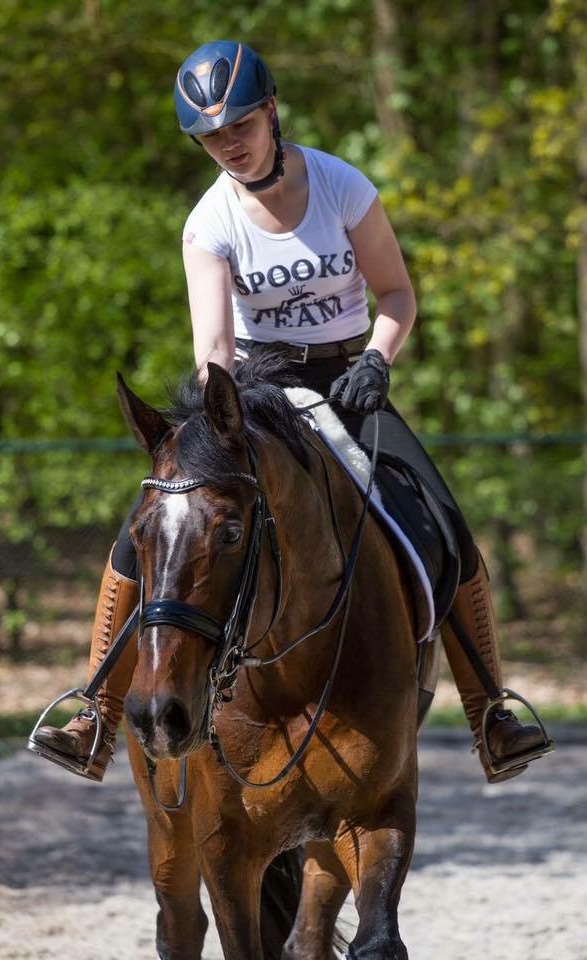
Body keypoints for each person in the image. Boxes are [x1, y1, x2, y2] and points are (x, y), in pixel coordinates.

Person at [32, 40, 551, 785]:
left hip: (350, 378)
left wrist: (378, 359)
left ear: (272, 111)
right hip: (253, 395)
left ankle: (490, 715)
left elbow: (398, 295)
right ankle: (95, 716)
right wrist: (219, 416)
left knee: (444, 521)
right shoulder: (207, 222)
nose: (228, 145)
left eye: (239, 125)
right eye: (211, 137)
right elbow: (213, 346)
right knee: (147, 528)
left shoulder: (341, 185)